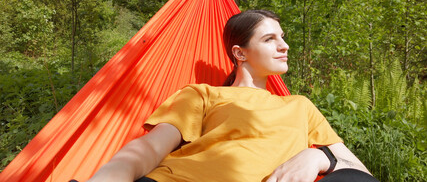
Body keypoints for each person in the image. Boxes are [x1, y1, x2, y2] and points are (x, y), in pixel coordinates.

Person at [85, 10, 378, 182]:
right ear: (240, 53)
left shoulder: (300, 105)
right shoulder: (203, 94)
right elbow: (148, 149)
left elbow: (358, 173)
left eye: (283, 37)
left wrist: (317, 157)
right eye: (270, 39)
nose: (284, 45)